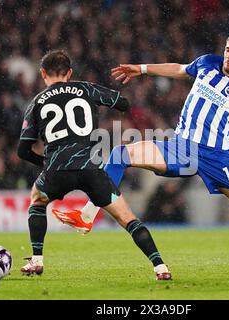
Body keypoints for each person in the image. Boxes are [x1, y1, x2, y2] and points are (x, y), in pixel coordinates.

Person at [56, 31, 229, 274]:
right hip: (182, 147)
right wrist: (141, 69)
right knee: (119, 154)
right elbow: (178, 69)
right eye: (228, 49)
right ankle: (88, 216)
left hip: (217, 157)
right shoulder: (207, 63)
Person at [17, 50, 171, 280]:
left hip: (56, 170)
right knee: (128, 219)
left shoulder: (37, 101)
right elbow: (124, 104)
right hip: (90, 169)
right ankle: (160, 267)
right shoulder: (86, 89)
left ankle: (37, 260)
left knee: (37, 202)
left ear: (42, 73)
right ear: (69, 73)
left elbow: (23, 151)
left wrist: (46, 163)